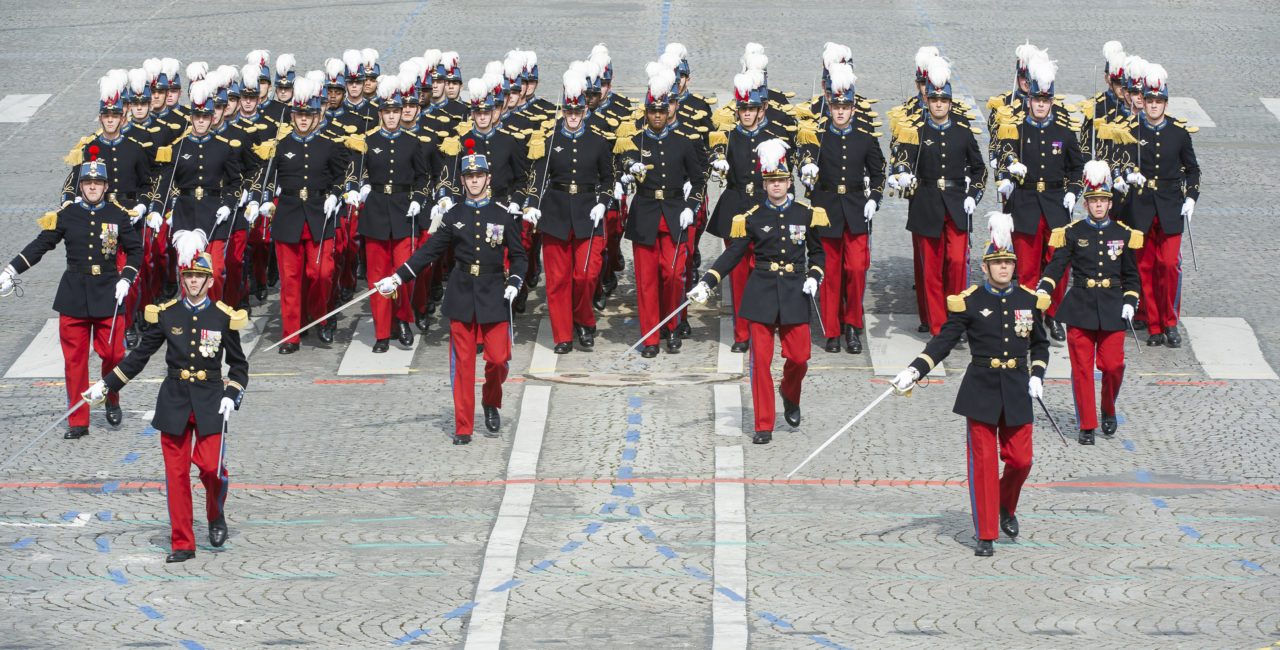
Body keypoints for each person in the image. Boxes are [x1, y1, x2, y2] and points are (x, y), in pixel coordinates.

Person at [890, 212, 1050, 557]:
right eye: (998, 264)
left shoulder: (1028, 300)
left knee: (1021, 460)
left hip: (1018, 386)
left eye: (1009, 263)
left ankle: (1005, 505)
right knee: (983, 464)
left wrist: (1037, 373)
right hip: (981, 389)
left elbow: (1040, 344)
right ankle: (986, 532)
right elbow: (943, 342)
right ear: (986, 267)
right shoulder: (971, 301)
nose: (1004, 269)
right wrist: (915, 370)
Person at [84, 252, 248, 563]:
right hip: (174, 402)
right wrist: (107, 385)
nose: (193, 280)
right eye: (188, 276)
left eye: (199, 276)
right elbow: (139, 357)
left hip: (212, 400)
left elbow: (239, 366)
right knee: (176, 475)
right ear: (182, 279)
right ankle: (182, 542)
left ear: (211, 281)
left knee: (212, 469)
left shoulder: (223, 317)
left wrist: (232, 393)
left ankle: (215, 513)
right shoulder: (167, 314)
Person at [374, 152, 527, 445]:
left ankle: (491, 400)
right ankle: (463, 426)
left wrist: (516, 282)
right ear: (462, 181)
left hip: (495, 293)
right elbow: (428, 253)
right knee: (463, 365)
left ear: (488, 179)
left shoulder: (503, 214)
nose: (474, 181)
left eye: (479, 176)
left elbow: (519, 257)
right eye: (470, 177)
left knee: (498, 359)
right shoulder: (454, 215)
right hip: (462, 294)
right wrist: (397, 277)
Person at [687, 139, 826, 444]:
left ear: (790, 183)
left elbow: (817, 254)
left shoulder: (805, 214)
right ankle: (763, 424)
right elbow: (734, 254)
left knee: (800, 357)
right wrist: (707, 282)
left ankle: (789, 392)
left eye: (781, 180)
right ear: (765, 184)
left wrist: (815, 276)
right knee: (759, 363)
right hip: (761, 293)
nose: (777, 185)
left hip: (794, 292)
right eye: (771, 181)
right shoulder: (751, 218)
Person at [1, 157, 143, 437]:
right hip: (74, 295)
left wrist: (126, 277)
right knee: (74, 362)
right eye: (88, 183)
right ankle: (79, 420)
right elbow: (41, 244)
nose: (92, 187)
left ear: (105, 186)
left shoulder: (118, 214)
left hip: (108, 292)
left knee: (114, 354)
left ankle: (111, 396)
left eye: (97, 183)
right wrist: (10, 269)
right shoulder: (66, 215)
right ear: (80, 187)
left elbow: (135, 250)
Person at [1037, 161, 1142, 444]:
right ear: (1086, 204)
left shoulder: (1123, 234)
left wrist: (1131, 301)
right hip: (1081, 306)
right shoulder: (1073, 232)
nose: (1098, 206)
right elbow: (1057, 266)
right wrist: (1044, 289)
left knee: (1113, 366)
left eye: (1103, 201)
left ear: (1110, 204)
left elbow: (1132, 276)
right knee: (1082, 368)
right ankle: (1086, 424)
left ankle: (1108, 407)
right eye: (1093, 201)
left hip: (1112, 307)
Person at [257, 77, 356, 353]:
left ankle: (320, 315)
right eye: (299, 114)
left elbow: (342, 176)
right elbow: (264, 178)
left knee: (322, 273)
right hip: (288, 215)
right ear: (292, 115)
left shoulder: (329, 144)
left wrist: (336, 195)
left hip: (318, 215)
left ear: (317, 116)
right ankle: (291, 335)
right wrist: (264, 199)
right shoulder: (280, 144)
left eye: (309, 114)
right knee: (290, 281)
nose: (303, 119)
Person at [990, 53, 1085, 342]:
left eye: (1046, 100)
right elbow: (1001, 159)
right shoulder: (1015, 130)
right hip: (1026, 204)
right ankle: (1029, 319)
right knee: (1028, 269)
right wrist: (1007, 174)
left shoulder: (1065, 133)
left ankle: (1054, 315)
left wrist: (1072, 191)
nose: (1041, 105)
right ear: (1028, 99)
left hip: (1056, 205)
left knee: (1058, 264)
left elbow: (1076, 167)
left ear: (1052, 102)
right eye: (1036, 100)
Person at [890, 56, 985, 336]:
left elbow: (979, 169)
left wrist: (973, 195)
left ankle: (956, 319)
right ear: (928, 102)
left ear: (950, 104)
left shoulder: (963, 132)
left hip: (956, 204)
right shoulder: (916, 130)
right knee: (930, 271)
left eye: (943, 101)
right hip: (927, 204)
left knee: (957, 264)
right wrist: (903, 173)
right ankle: (938, 327)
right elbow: (902, 160)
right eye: (934, 100)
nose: (939, 105)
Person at [613, 66, 705, 357]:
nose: (656, 116)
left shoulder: (683, 142)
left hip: (676, 213)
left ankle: (673, 325)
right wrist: (627, 172)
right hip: (646, 214)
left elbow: (699, 179)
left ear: (668, 112)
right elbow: (622, 162)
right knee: (646, 281)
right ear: (646, 112)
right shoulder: (635, 141)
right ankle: (651, 337)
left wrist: (692, 206)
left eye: (661, 111)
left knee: (674, 275)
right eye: (652, 111)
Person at [523, 68, 615, 352]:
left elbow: (608, 178)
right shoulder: (550, 141)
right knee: (558, 279)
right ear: (563, 111)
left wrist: (603, 201)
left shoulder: (598, 141)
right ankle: (563, 334)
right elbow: (538, 178)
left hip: (589, 214)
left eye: (577, 111)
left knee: (586, 275)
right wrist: (532, 205)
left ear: (585, 110)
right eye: (568, 112)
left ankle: (584, 320)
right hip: (556, 215)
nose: (573, 117)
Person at [796, 63, 885, 354]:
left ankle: (853, 327)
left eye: (845, 107)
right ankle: (832, 331)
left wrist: (875, 199)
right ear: (829, 107)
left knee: (857, 270)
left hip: (857, 211)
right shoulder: (817, 136)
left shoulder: (865, 136)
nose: (841, 112)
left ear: (853, 108)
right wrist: (806, 169)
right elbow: (805, 167)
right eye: (836, 107)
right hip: (827, 210)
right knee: (830, 274)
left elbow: (879, 173)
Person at [706, 70, 797, 352]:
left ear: (762, 109)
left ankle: (770, 326)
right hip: (734, 209)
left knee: (768, 271)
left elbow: (784, 176)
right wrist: (716, 161)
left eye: (751, 108)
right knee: (739, 276)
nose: (746, 113)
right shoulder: (728, 135)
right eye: (742, 108)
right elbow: (711, 154)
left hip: (763, 208)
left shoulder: (775, 137)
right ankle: (742, 333)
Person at [1113, 63, 1200, 348]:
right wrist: (1127, 174)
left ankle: (1170, 322)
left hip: (1171, 205)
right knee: (1146, 267)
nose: (1153, 106)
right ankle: (1154, 326)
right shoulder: (1131, 130)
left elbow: (1192, 169)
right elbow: (1120, 162)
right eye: (1149, 101)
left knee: (1168, 264)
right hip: (1141, 205)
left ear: (1165, 103)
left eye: (1158, 101)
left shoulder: (1178, 132)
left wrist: (1191, 198)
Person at [357, 75, 440, 352]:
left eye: (396, 112)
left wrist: (418, 198)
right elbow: (356, 172)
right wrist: (359, 187)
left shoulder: (412, 141)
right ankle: (382, 332)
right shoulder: (367, 140)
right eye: (387, 112)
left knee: (403, 272)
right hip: (376, 213)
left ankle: (402, 319)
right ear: (380, 113)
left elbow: (423, 177)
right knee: (378, 275)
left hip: (405, 213)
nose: (392, 116)